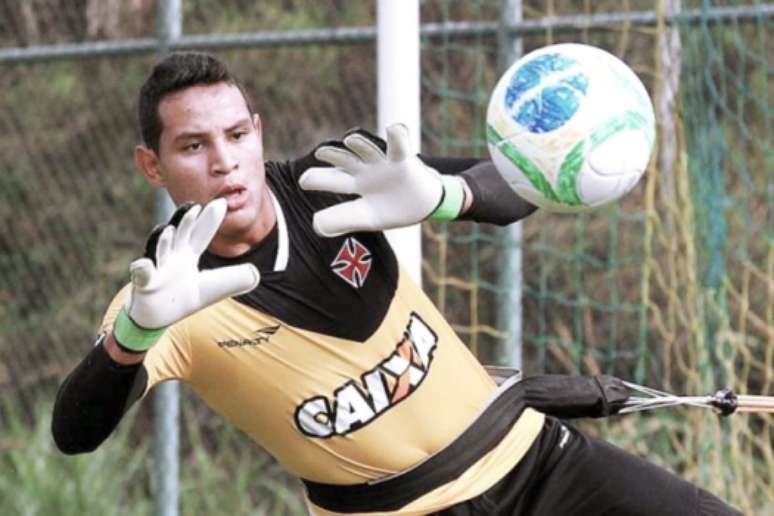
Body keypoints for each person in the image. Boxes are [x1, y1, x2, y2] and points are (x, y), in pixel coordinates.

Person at [52, 51, 740, 515]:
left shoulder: (334, 180)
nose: (227, 162)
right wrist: (133, 337)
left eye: (237, 134)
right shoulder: (161, 297)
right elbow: (75, 430)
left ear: (258, 132)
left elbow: (521, 188)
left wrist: (443, 195)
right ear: (152, 164)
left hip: (538, 465)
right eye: (194, 146)